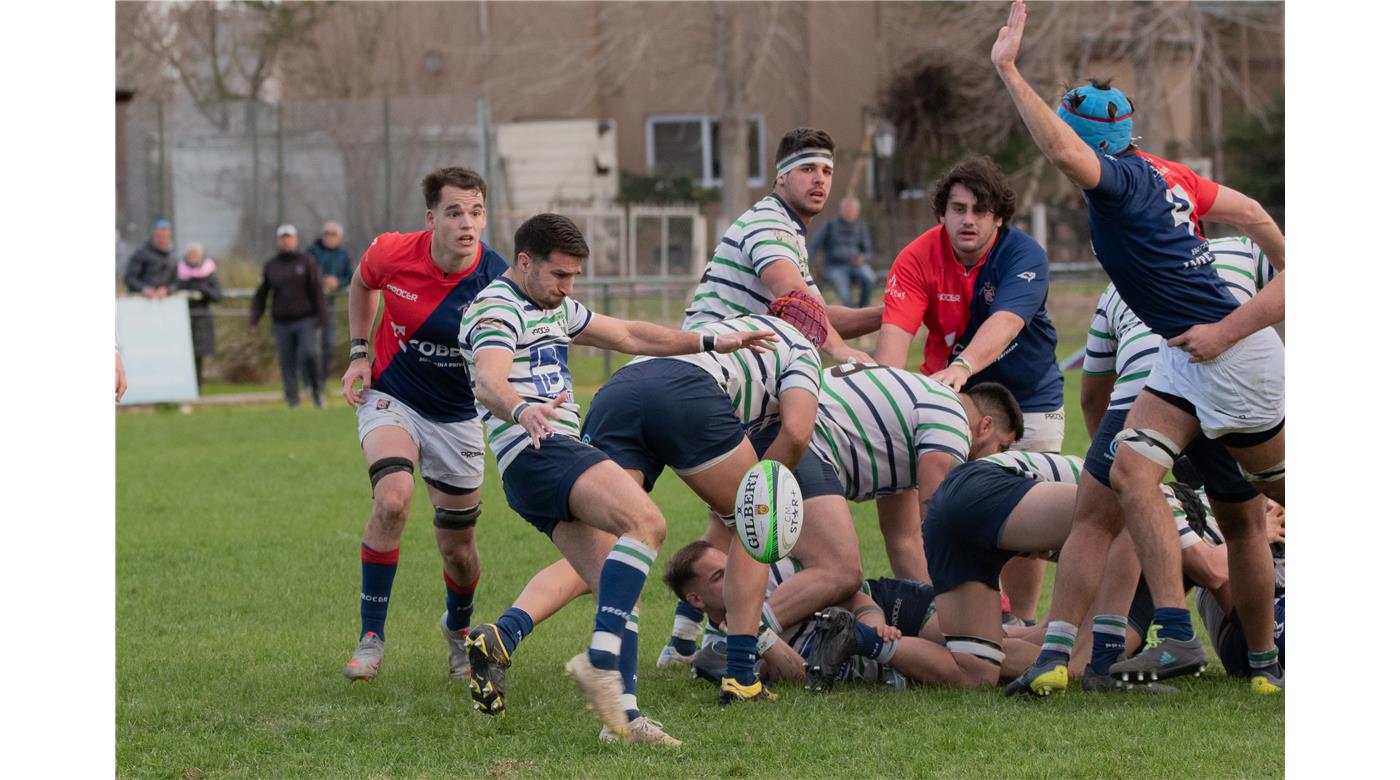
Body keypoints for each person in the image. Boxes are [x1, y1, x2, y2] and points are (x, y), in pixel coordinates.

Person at [993, 0, 1285, 691]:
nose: (1066, 162)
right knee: (1129, 475)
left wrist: (1007, 69)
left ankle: (1260, 659)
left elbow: (1066, 152)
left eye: (1073, 143)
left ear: (1091, 144)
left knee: (1276, 499)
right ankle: (1182, 640)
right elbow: (1248, 211)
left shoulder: (1117, 183)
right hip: (1187, 357)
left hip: (1233, 359)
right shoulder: (1162, 172)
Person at [460, 212, 772, 744]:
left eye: (575, 276)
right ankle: (602, 657)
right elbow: (489, 380)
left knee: (613, 584)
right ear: (524, 262)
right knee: (647, 521)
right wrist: (521, 411)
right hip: (541, 451)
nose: (568, 287)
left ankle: (622, 721)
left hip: (538, 465)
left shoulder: (553, 306)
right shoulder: (496, 307)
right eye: (560, 275)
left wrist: (710, 343)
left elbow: (627, 333)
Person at [463, 296, 826, 716]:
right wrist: (763, 493)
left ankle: (505, 633)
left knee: (612, 545)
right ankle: (742, 675)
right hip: (684, 393)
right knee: (754, 523)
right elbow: (798, 432)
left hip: (621, 390)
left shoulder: (740, 322)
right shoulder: (801, 345)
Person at [1008, 236, 1281, 697]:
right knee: (1246, 528)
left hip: (1146, 396)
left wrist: (1105, 464)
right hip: (1226, 389)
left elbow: (1094, 391)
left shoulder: (1121, 281)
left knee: (1093, 523)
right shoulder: (1245, 249)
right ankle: (1264, 670)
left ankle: (1055, 657)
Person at [873, 155, 1065, 624]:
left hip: (1031, 401)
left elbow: (1006, 322)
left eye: (980, 210)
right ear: (942, 211)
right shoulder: (917, 257)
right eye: (958, 208)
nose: (968, 220)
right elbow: (893, 343)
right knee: (940, 513)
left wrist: (963, 366)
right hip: (951, 402)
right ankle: (951, 618)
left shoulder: (1023, 255)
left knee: (1028, 519)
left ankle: (1016, 622)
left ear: (998, 217)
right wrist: (884, 397)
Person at [338, 167, 509, 685]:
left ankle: (457, 630)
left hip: (458, 418)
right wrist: (359, 353)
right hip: (393, 396)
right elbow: (363, 283)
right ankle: (371, 638)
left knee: (458, 550)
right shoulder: (394, 252)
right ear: (431, 217)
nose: (467, 223)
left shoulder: (497, 281)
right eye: (455, 212)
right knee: (392, 498)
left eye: (476, 212)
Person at [683, 126, 883, 363]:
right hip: (710, 356)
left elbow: (820, 316)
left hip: (730, 356)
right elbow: (795, 299)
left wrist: (893, 313)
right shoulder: (769, 221)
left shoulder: (789, 230)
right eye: (808, 169)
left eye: (827, 171)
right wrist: (840, 349)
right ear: (781, 176)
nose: (820, 179)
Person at [249, 224, 327, 408]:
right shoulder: (271, 266)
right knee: (287, 361)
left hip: (306, 319)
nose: (286, 241)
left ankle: (316, 391)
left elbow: (317, 291)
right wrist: (255, 318)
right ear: (278, 241)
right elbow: (262, 293)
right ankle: (293, 400)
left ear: (296, 240)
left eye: (289, 237)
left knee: (309, 354)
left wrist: (322, 318)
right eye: (283, 238)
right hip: (282, 321)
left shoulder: (307, 262)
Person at [307, 221, 355, 381]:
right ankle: (309, 382)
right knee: (310, 348)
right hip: (310, 306)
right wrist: (320, 281)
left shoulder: (343, 256)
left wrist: (338, 282)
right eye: (327, 233)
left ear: (339, 237)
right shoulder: (312, 252)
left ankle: (321, 382)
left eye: (333, 234)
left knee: (328, 345)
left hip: (329, 307)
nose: (329, 237)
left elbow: (351, 277)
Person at [809, 196, 878, 307]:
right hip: (834, 267)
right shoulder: (830, 225)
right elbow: (813, 246)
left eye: (852, 210)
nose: (849, 213)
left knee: (870, 278)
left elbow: (868, 251)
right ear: (841, 210)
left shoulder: (861, 227)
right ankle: (851, 313)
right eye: (847, 210)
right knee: (845, 295)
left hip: (856, 265)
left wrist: (863, 258)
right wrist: (808, 266)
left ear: (857, 212)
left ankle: (862, 308)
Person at [174, 242, 223, 388]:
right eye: (190, 254)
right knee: (183, 353)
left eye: (195, 254)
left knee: (198, 355)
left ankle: (197, 386)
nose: (192, 257)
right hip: (183, 319)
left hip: (201, 319)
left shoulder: (208, 274)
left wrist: (202, 288)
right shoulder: (179, 273)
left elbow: (217, 296)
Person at [124, 219, 177, 299]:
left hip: (165, 303)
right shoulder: (141, 254)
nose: (163, 240)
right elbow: (129, 278)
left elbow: (177, 282)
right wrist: (144, 289)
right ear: (154, 236)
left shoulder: (172, 258)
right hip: (141, 302)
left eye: (166, 237)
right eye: (160, 236)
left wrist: (167, 290)